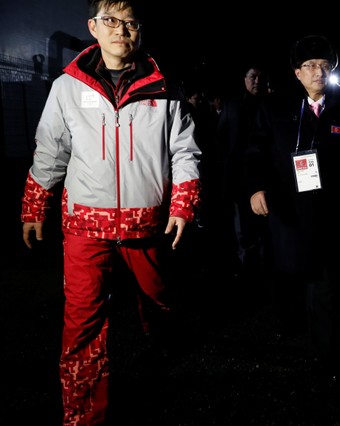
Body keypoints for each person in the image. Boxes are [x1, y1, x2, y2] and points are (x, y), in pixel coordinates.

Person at [20, 0, 202, 423]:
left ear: (141, 30)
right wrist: (35, 205)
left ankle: (161, 340)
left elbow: (184, 151)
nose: (122, 30)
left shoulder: (164, 87)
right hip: (85, 224)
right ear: (93, 27)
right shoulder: (67, 87)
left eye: (131, 23)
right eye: (112, 21)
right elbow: (51, 150)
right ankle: (84, 415)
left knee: (159, 300)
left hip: (146, 222)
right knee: (81, 324)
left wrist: (182, 203)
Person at [245, 35, 340, 380]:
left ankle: (322, 353)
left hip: (328, 211)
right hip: (285, 208)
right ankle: (287, 321)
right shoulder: (276, 107)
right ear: (297, 73)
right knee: (286, 274)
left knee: (324, 280)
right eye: (310, 66)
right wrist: (256, 188)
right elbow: (255, 152)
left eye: (324, 67)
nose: (318, 72)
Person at [215, 64, 269, 279]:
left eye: (260, 77)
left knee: (265, 223)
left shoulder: (270, 104)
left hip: (265, 175)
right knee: (242, 226)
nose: (257, 81)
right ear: (245, 79)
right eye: (253, 77)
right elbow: (221, 139)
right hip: (238, 176)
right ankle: (247, 265)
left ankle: (266, 266)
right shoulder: (233, 105)